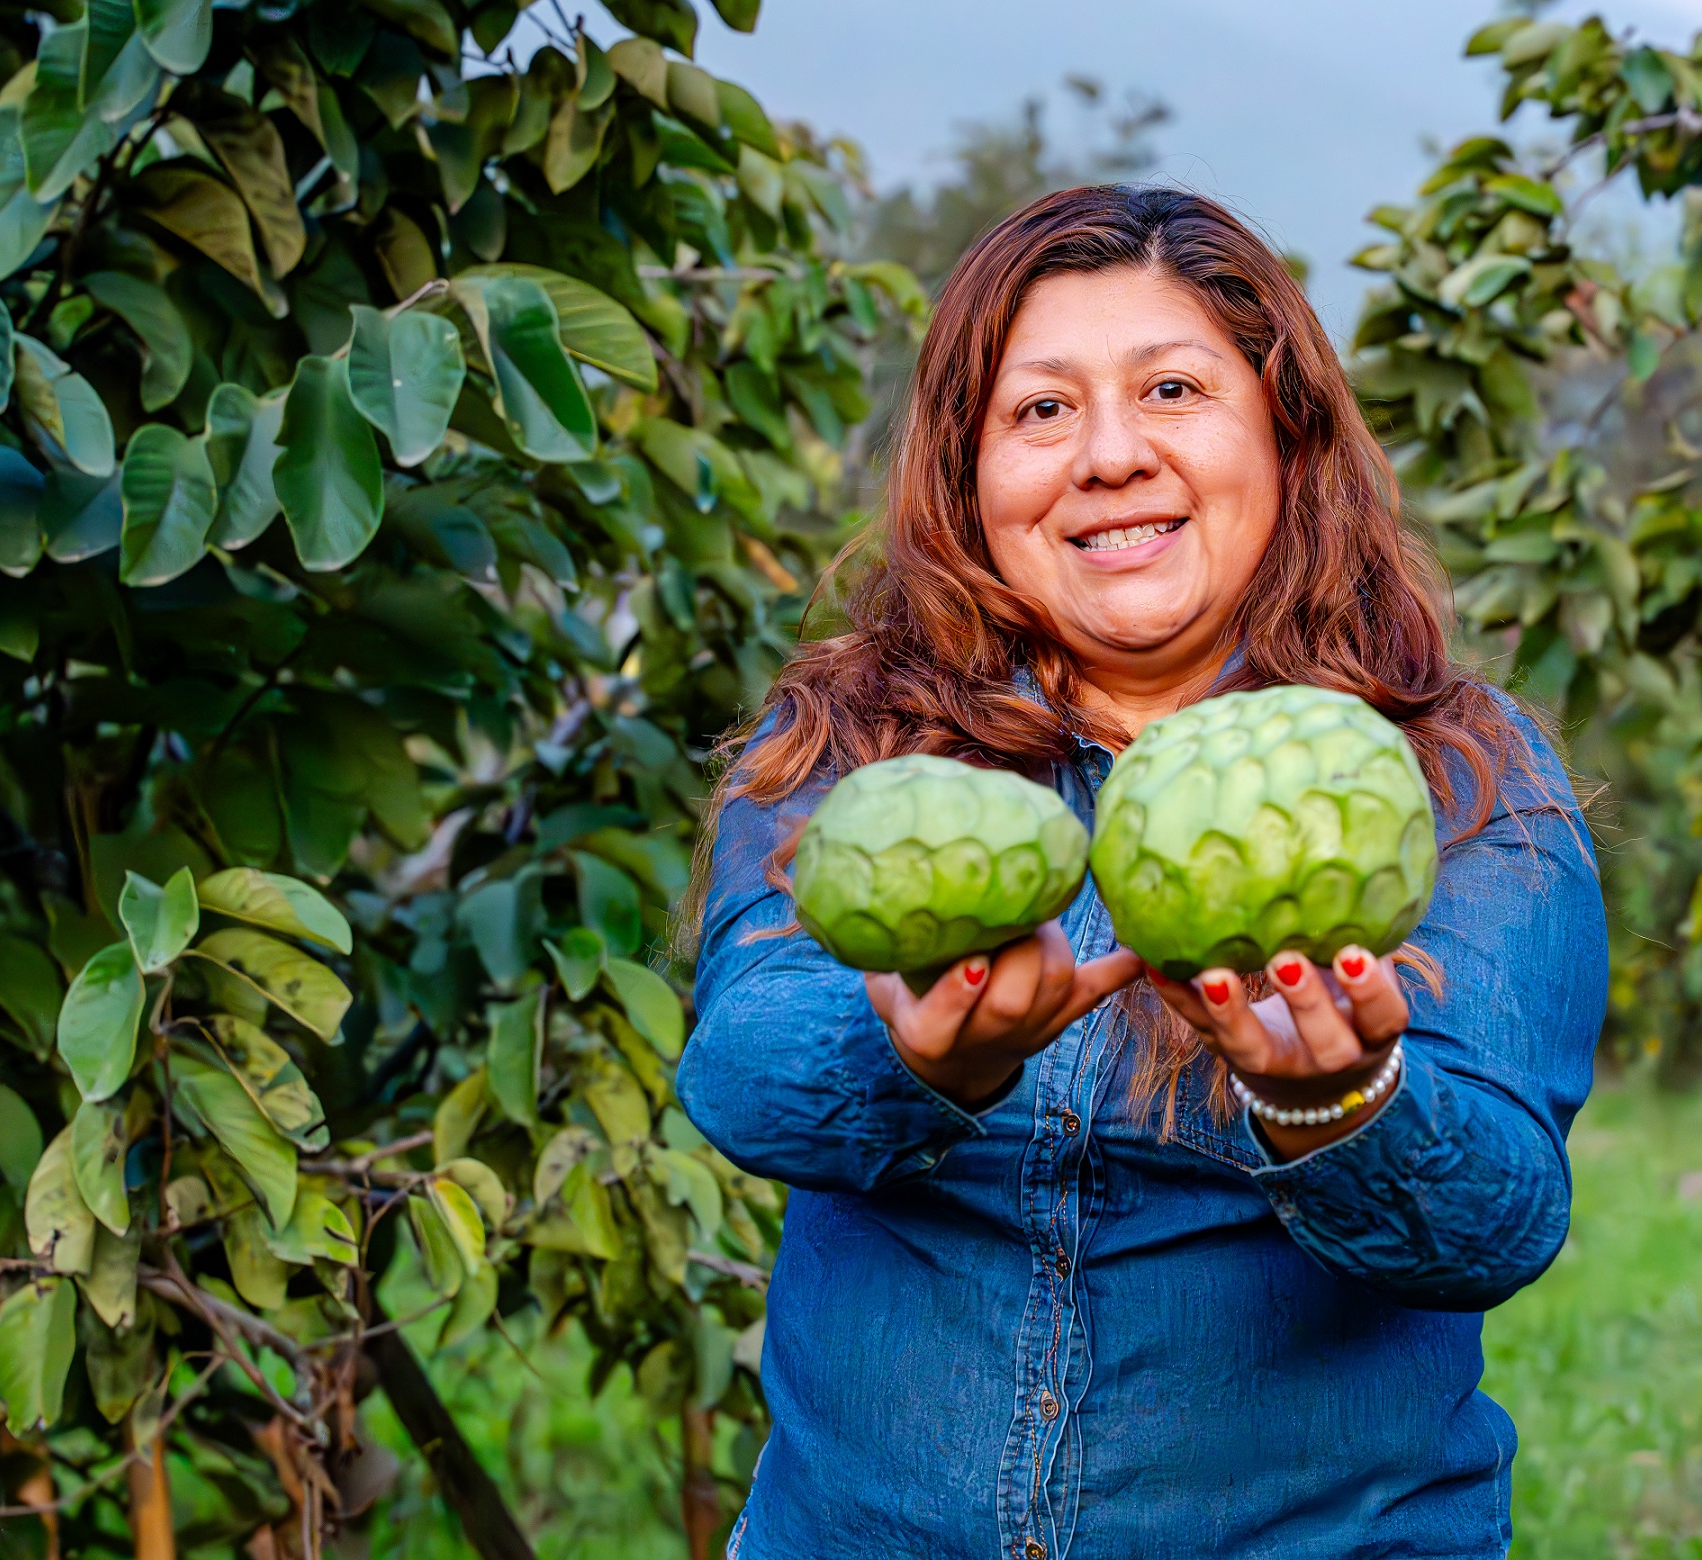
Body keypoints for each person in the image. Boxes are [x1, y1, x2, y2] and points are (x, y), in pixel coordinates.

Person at [676, 184, 1606, 1560]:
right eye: (1041, 410)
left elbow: (1496, 1219)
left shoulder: (1459, 772)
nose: (1109, 456)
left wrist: (1340, 1106)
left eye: (1173, 388)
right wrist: (915, 1059)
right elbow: (742, 1069)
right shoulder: (856, 736)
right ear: (967, 470)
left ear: (1286, 435)